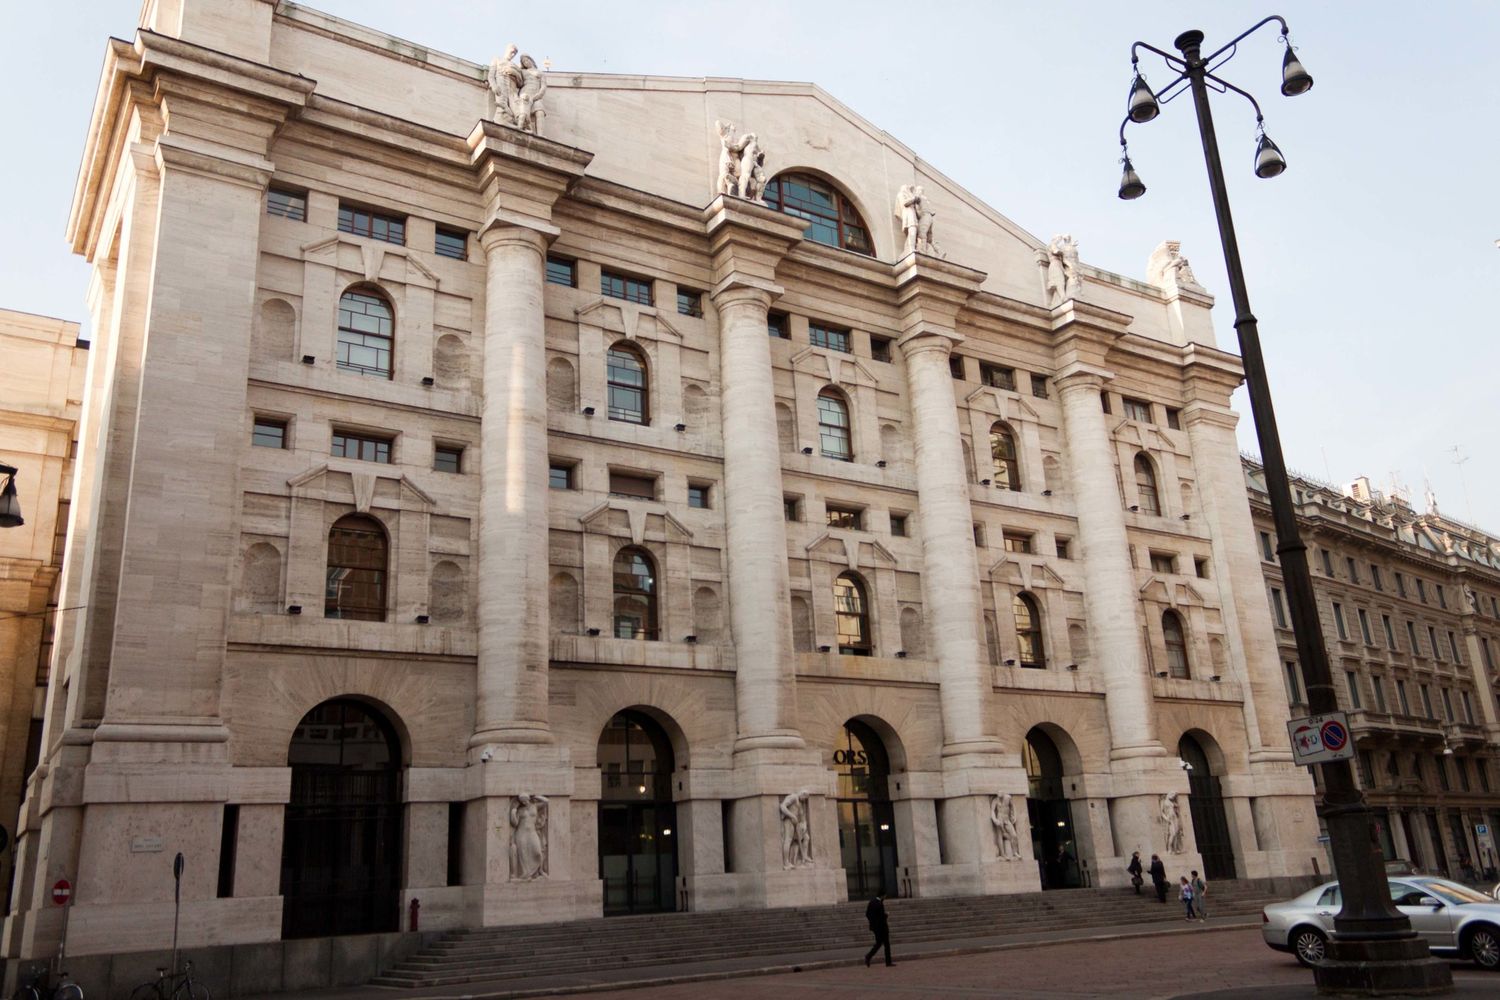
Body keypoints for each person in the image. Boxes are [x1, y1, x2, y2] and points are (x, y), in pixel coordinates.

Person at [864, 893, 894, 967]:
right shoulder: (879, 904)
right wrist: (886, 915)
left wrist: (872, 922)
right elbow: (881, 916)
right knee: (886, 944)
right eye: (885, 896)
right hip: (882, 927)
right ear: (882, 895)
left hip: (875, 927)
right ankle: (888, 962)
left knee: (878, 943)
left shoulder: (871, 902)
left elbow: (867, 914)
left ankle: (868, 956)